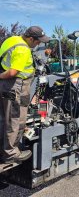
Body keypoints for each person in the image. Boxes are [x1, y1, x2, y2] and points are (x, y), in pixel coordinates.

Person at [0, 26, 50, 163]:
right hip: (16, 86)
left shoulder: (11, 40)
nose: (39, 44)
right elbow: (12, 72)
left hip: (6, 86)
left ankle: (3, 149)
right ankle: (11, 153)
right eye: (38, 41)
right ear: (30, 38)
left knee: (4, 119)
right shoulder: (23, 49)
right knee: (16, 119)